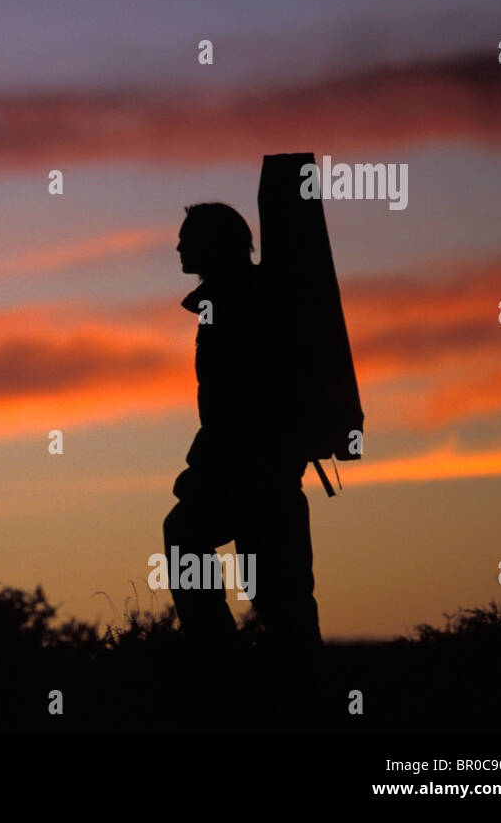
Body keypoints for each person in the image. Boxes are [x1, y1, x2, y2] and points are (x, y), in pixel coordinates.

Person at [163, 202, 324, 673]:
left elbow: (241, 400)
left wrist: (207, 469)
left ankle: (221, 665)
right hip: (262, 471)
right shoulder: (234, 297)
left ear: (214, 243)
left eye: (187, 237)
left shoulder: (239, 299)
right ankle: (232, 666)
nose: (178, 246)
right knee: (282, 602)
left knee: (280, 600)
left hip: (255, 472)